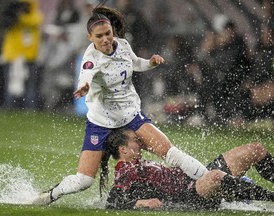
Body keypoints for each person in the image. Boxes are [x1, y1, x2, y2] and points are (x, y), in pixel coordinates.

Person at [32, 6, 208, 205]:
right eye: (99, 36)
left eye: (108, 33)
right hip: (100, 124)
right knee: (83, 181)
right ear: (90, 37)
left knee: (171, 154)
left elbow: (136, 64)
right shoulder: (91, 59)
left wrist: (150, 63)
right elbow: (86, 76)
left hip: (131, 117)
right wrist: (84, 87)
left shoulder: (123, 45)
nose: (105, 39)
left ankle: (215, 180)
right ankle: (49, 196)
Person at [104, 128, 274, 210]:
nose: (140, 142)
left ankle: (233, 190)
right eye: (135, 140)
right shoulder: (125, 171)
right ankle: (270, 197)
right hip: (191, 195)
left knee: (255, 150)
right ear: (123, 149)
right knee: (215, 176)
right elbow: (112, 202)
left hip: (198, 179)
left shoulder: (139, 163)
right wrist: (142, 202)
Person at [1, 0, 43, 109]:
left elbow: (35, 20)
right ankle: (10, 108)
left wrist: (20, 15)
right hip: (13, 56)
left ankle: (29, 109)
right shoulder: (12, 16)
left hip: (29, 57)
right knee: (11, 83)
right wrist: (14, 13)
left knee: (29, 85)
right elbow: (6, 23)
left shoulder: (35, 16)